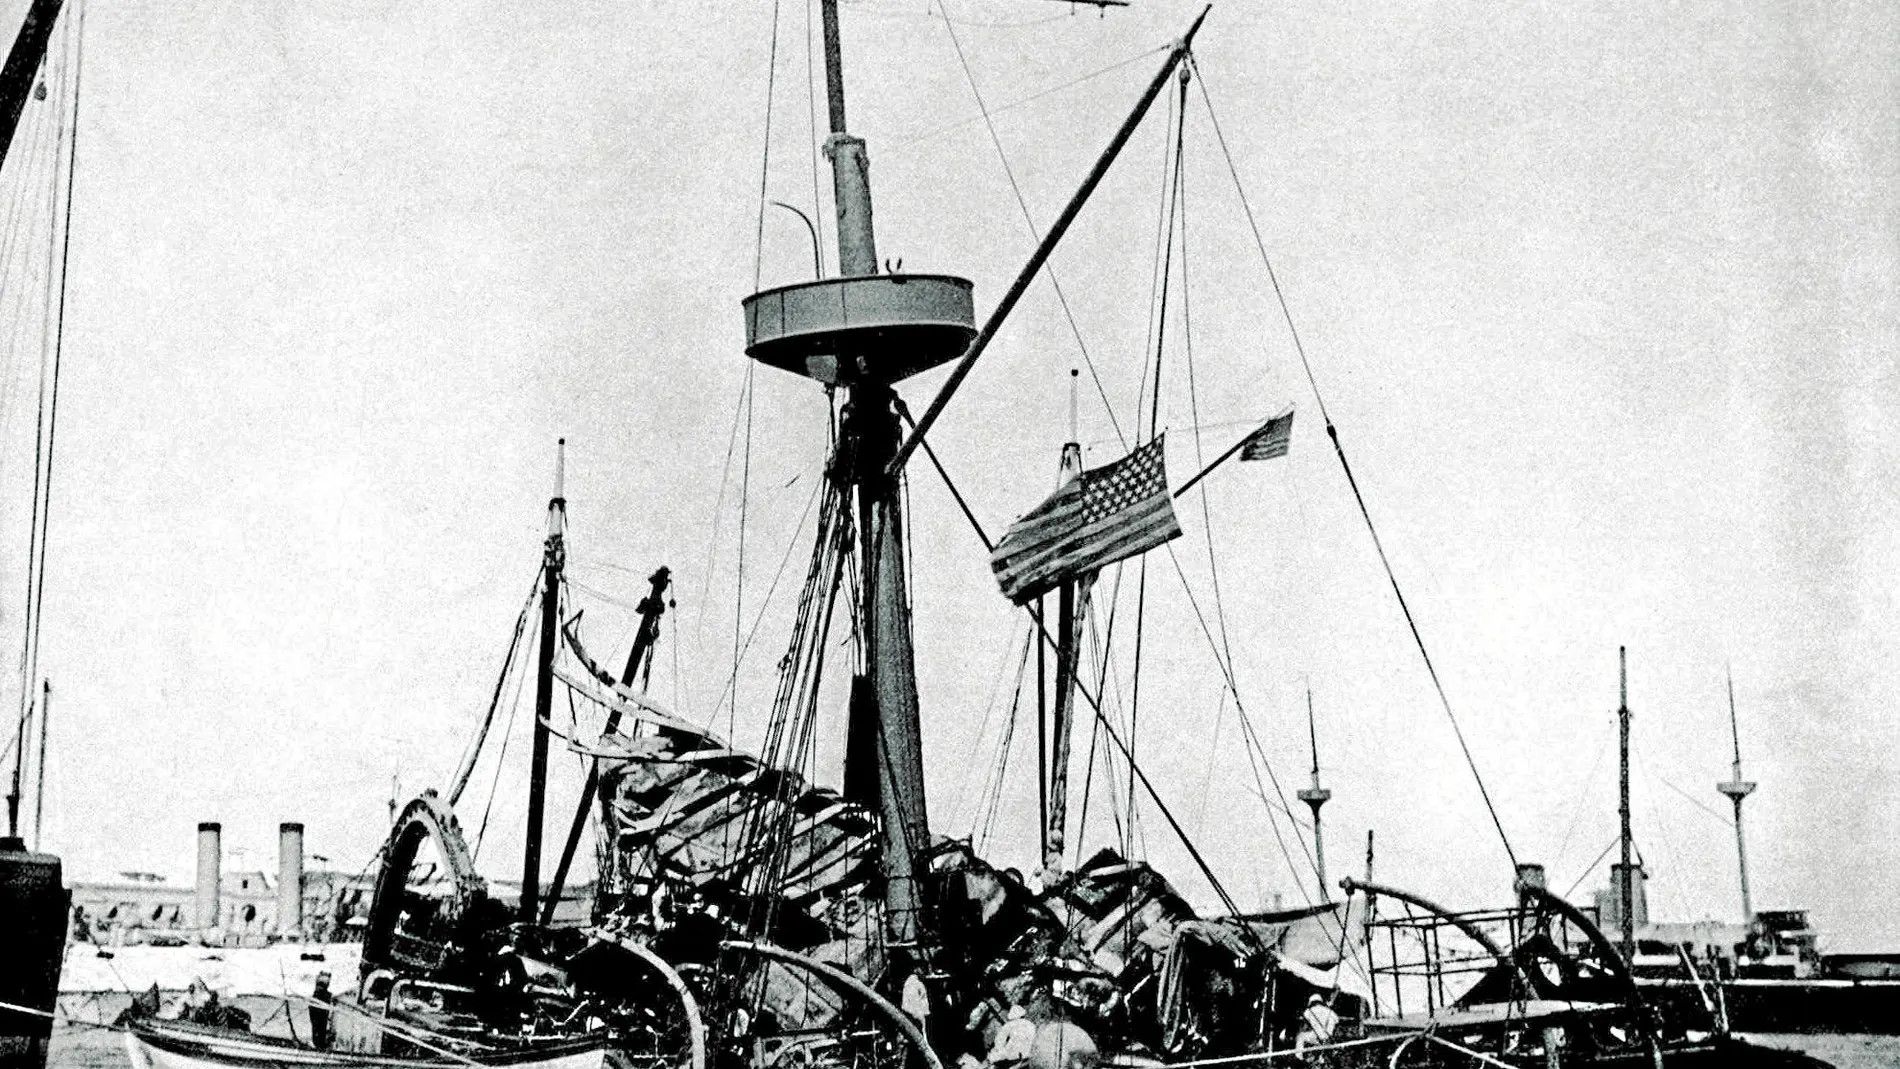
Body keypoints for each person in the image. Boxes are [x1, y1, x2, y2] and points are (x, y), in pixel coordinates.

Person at [309, 972, 335, 1050]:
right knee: (318, 1026)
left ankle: (319, 1044)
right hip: (318, 1005)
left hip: (320, 1006)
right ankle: (318, 1044)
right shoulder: (320, 991)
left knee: (320, 1026)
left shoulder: (322, 991)